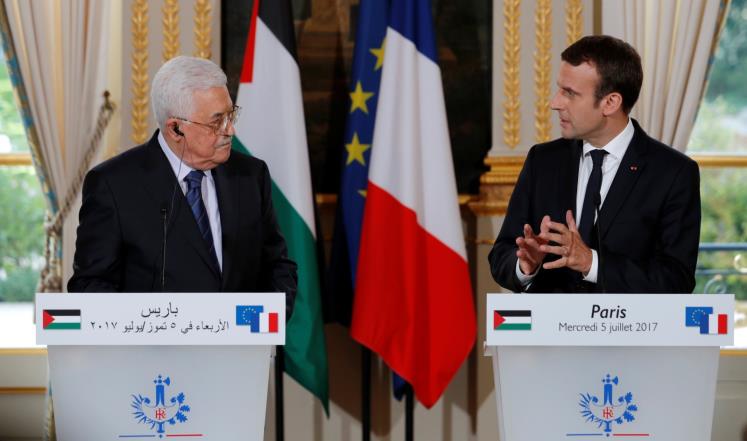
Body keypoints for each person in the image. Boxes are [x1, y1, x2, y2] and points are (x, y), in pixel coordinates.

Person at [68, 56, 296, 316]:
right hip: (153, 340)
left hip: (242, 339)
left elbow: (278, 266)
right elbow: (90, 286)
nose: (230, 130)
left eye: (230, 115)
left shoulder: (251, 175)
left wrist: (263, 322)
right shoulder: (113, 185)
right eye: (216, 122)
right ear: (175, 129)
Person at [488, 35, 700, 293]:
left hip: (628, 320)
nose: (555, 103)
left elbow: (677, 280)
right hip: (551, 319)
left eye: (569, 93)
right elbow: (501, 255)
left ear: (610, 102)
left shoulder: (673, 172)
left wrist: (592, 263)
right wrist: (525, 266)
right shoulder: (542, 160)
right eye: (559, 89)